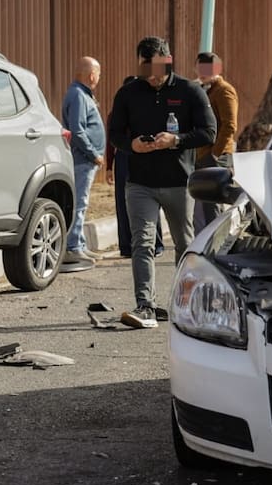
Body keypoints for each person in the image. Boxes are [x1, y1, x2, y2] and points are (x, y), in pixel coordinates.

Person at [108, 36, 216, 328]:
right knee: (142, 243)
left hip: (178, 183)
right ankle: (145, 305)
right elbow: (115, 132)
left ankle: (185, 300)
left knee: (184, 244)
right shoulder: (128, 93)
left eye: (157, 69)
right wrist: (132, 145)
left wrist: (176, 140)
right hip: (140, 183)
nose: (152, 77)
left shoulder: (190, 91)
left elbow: (209, 132)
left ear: (168, 61)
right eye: (146, 69)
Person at [105, 76, 164, 259]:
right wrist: (109, 166)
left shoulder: (142, 109)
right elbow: (111, 141)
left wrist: (109, 165)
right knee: (128, 201)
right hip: (128, 156)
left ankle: (146, 244)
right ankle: (133, 245)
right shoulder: (119, 112)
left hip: (137, 156)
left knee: (145, 200)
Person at [60, 56, 104, 272]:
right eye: (98, 74)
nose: (98, 78)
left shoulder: (82, 94)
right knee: (79, 204)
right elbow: (77, 130)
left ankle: (79, 244)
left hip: (85, 159)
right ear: (91, 75)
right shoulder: (78, 95)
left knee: (82, 203)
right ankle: (72, 246)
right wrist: (94, 153)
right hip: (83, 159)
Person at [192, 51, 239, 232]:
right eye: (199, 67)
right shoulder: (203, 89)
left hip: (217, 155)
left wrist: (215, 153)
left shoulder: (224, 90)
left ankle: (216, 245)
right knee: (204, 204)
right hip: (202, 154)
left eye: (207, 69)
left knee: (213, 205)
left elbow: (230, 125)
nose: (202, 72)